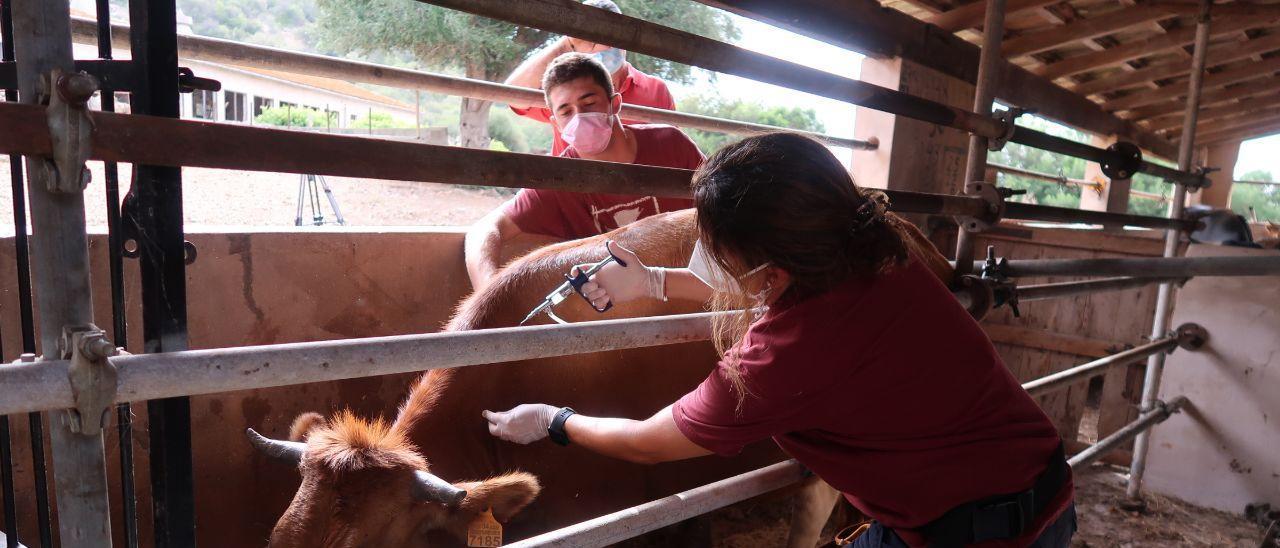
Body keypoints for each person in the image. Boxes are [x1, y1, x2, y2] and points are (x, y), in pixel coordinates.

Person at [482, 133, 1077, 547]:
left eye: (717, 248)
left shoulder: (780, 357)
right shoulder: (877, 248)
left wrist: (554, 420)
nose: (708, 256)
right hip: (1044, 490)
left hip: (973, 536)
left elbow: (646, 443)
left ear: (772, 268)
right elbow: (772, 290)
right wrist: (655, 282)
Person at [465, 52, 703, 288]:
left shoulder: (671, 144)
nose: (579, 117)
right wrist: (489, 289)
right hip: (626, 305)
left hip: (693, 288)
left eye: (589, 104)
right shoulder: (561, 177)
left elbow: (724, 200)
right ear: (555, 121)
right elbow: (483, 230)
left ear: (615, 104)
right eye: (566, 112)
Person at [504, 0, 676, 157]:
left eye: (612, 35)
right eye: (590, 39)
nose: (603, 46)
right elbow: (512, 95)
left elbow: (670, 148)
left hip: (636, 187)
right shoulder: (566, 90)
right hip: (572, 186)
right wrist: (566, 45)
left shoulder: (656, 90)